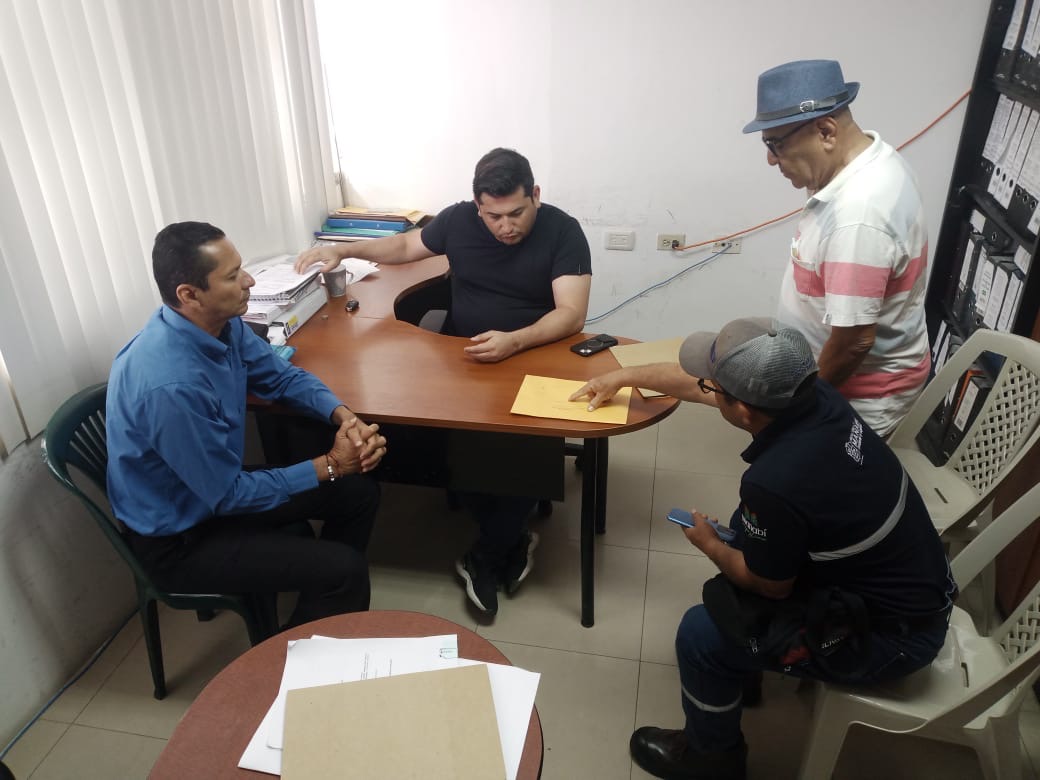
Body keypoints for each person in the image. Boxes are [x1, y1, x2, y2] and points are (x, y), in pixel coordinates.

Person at [628, 318, 956, 780]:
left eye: (714, 388)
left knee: (700, 634)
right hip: (916, 587)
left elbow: (770, 585)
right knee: (744, 538)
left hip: (895, 637)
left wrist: (708, 544)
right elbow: (705, 393)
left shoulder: (775, 482)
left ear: (744, 411)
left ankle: (712, 758)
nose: (709, 393)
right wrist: (623, 376)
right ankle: (745, 670)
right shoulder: (819, 398)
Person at [295, 148, 592, 615]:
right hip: (464, 356)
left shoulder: (563, 231)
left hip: (533, 354)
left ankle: (485, 554)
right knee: (451, 445)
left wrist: (515, 340)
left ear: (535, 195)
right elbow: (402, 248)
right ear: (477, 206)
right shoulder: (458, 220)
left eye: (516, 213)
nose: (506, 226)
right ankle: (511, 540)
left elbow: (572, 313)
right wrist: (343, 249)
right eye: (493, 216)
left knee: (524, 449)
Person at [572, 59, 930, 437]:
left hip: (855, 396)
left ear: (826, 131)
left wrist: (793, 414)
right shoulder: (874, 162)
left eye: (776, 144)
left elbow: (854, 342)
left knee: (805, 472)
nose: (770, 159)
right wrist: (627, 376)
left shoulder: (858, 214)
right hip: (812, 374)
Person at [107, 221, 387, 629]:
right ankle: (300, 647)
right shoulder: (171, 386)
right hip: (181, 537)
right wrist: (330, 464)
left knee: (358, 492)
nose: (249, 281)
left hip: (211, 490)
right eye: (232, 275)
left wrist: (344, 416)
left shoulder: (219, 325)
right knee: (345, 570)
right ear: (189, 294)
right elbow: (228, 496)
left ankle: (317, 606)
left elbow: (281, 377)